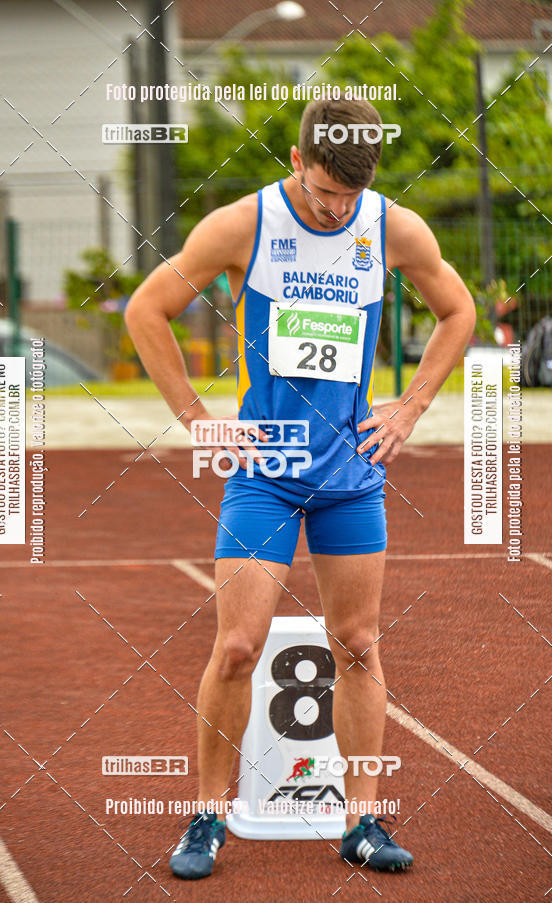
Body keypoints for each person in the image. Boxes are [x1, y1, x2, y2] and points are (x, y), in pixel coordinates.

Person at [125, 98, 476, 880]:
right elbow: (147, 308)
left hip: (351, 476)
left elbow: (458, 310)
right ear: (294, 160)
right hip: (265, 472)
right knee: (239, 644)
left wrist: (413, 404)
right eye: (322, 195)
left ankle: (360, 820)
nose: (335, 210)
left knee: (357, 643)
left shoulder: (393, 229)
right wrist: (197, 419)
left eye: (348, 199)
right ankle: (208, 816)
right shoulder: (240, 225)